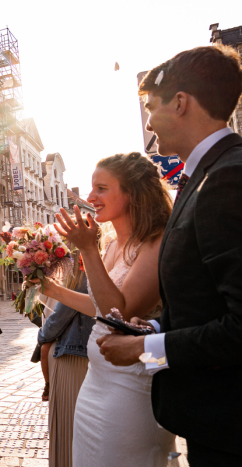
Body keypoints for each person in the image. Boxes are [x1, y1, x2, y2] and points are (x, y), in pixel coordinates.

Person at [98, 45, 242, 465]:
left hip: (228, 426)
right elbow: (205, 304)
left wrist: (146, 350)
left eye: (151, 107)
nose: (149, 122)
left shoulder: (227, 178)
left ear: (181, 103)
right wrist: (156, 328)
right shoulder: (205, 176)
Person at [39, 151, 174, 466]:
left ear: (131, 194)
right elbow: (99, 306)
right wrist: (53, 290)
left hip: (129, 385)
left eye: (101, 188)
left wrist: (87, 248)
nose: (90, 197)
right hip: (94, 383)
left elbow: (121, 313)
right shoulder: (113, 245)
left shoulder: (155, 242)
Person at [37, 262, 93, 467]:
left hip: (73, 354)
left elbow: (59, 315)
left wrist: (42, 336)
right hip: (83, 349)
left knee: (68, 429)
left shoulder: (81, 269)